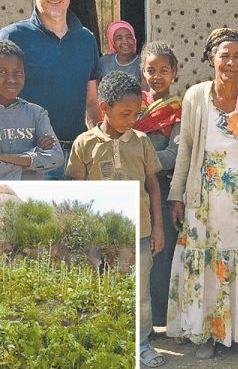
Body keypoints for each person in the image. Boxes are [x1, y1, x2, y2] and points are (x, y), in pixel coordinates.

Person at [166, 28, 238, 359]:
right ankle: (208, 335)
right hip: (206, 197)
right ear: (211, 58)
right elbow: (185, 149)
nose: (231, 62)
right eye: (224, 55)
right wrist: (177, 196)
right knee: (208, 264)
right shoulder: (195, 96)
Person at [65, 71, 164, 367]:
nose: (132, 119)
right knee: (103, 288)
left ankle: (141, 343)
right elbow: (77, 190)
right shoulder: (85, 144)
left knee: (141, 294)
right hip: (102, 236)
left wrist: (158, 226)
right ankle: (109, 342)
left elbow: (154, 185)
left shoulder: (142, 141)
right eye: (125, 113)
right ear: (104, 108)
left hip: (141, 233)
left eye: (136, 113)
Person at [0, 0, 99, 179]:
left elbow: (91, 102)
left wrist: (95, 148)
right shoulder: (11, 37)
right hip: (27, 161)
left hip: (76, 157)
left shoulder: (86, 39)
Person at [134, 41, 182, 326]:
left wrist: (135, 158)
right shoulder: (131, 104)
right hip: (132, 192)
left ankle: (160, 320)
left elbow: (173, 155)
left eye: (164, 70)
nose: (157, 76)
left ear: (174, 73)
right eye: (151, 70)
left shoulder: (177, 110)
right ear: (142, 71)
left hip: (161, 193)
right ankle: (139, 323)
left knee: (160, 257)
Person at [0, 39, 64, 179]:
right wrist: (34, 156)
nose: (12, 79)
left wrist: (4, 157)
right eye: (3, 72)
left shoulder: (36, 114)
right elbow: (46, 159)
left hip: (30, 195)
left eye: (18, 72)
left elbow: (57, 158)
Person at [96, 20, 144, 89]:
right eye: (119, 38)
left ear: (134, 40)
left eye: (129, 37)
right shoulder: (104, 62)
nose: (125, 41)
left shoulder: (142, 63)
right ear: (113, 43)